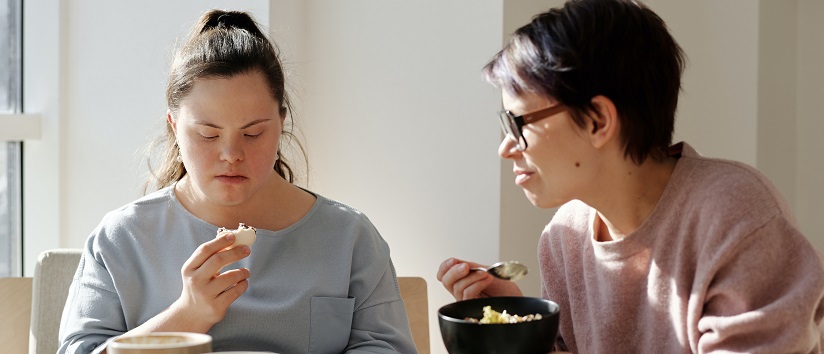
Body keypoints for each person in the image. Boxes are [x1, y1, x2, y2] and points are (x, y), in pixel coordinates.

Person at [437, 0, 824, 352]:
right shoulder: (563, 239)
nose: (505, 148)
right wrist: (519, 331)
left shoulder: (735, 216)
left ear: (598, 120)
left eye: (517, 122)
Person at [58, 10, 416, 354]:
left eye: (254, 133)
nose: (231, 154)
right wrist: (188, 314)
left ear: (281, 123)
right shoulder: (122, 238)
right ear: (174, 127)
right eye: (208, 135)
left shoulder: (349, 237)